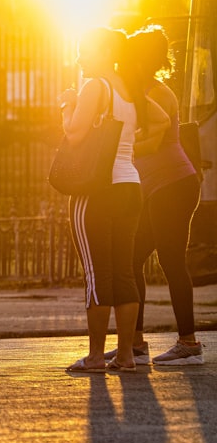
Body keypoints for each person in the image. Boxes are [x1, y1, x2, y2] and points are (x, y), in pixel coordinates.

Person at [60, 28, 169, 373]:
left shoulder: (96, 87)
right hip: (129, 185)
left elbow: (74, 133)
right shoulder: (129, 87)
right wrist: (129, 146)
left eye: (85, 50)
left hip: (98, 190)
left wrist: (67, 105)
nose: (79, 59)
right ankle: (124, 356)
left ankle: (94, 357)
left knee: (97, 273)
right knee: (124, 274)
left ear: (104, 50)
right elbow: (162, 120)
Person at [122, 26, 203, 365]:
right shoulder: (139, 92)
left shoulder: (158, 94)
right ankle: (136, 344)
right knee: (133, 259)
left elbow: (153, 143)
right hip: (161, 187)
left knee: (171, 261)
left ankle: (189, 343)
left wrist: (116, 147)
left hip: (174, 184)